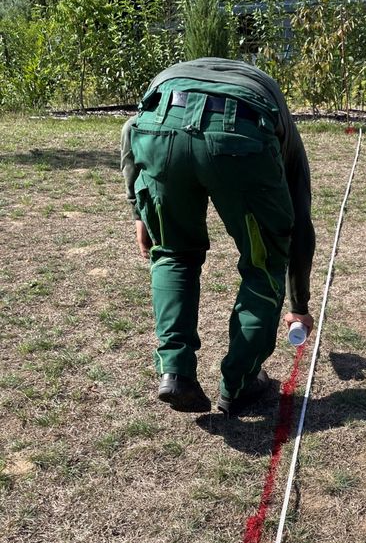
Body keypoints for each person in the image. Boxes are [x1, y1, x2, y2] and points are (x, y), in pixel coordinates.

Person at [120, 57, 315, 414]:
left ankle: (175, 372)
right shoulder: (273, 105)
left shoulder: (174, 74)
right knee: (263, 263)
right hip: (241, 138)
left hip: (158, 127)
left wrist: (140, 211)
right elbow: (298, 221)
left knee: (173, 253)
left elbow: (131, 129)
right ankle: (239, 385)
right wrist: (298, 307)